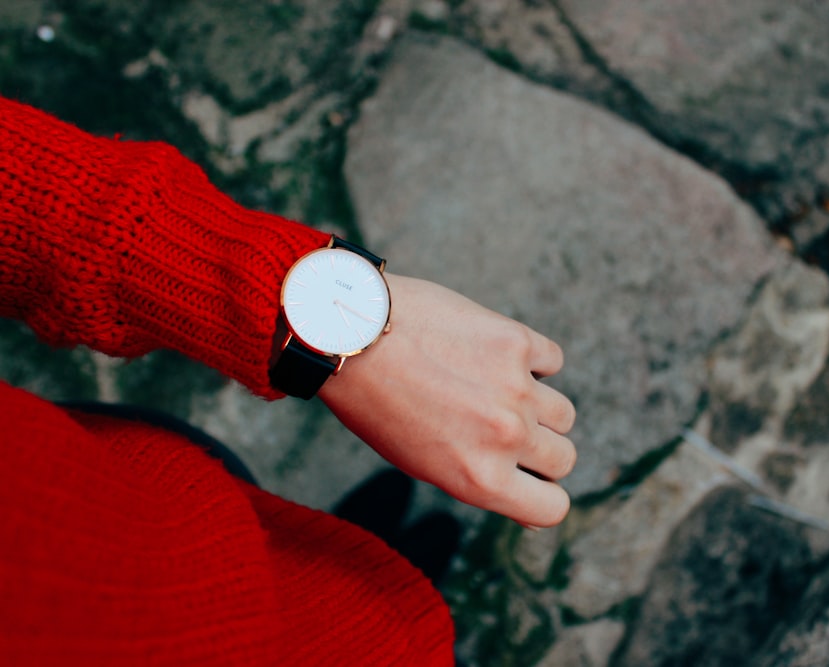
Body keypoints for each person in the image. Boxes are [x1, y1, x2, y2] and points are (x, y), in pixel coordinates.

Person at [0, 95, 577, 665]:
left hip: (128, 483)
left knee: (307, 541)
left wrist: (283, 299)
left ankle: (331, 558)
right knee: (360, 580)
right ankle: (354, 580)